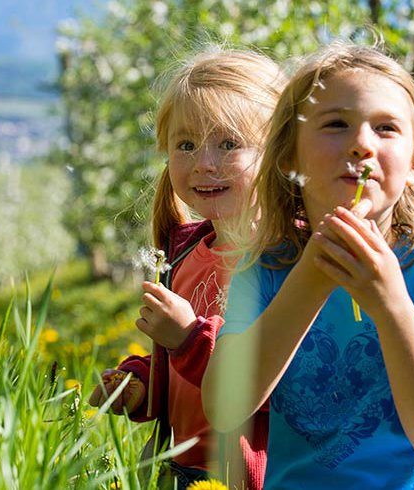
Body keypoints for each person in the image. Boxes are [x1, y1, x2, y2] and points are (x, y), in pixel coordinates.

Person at [203, 43, 414, 489]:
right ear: (289, 158)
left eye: (386, 128)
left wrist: (391, 304)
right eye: (336, 124)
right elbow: (223, 407)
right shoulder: (264, 269)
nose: (361, 144)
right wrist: (311, 279)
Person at [87, 48, 286, 489]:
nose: (203, 163)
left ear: (279, 151)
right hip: (184, 473)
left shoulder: (291, 261)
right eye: (186, 144)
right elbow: (174, 371)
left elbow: (288, 387)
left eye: (229, 143)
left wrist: (190, 340)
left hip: (256, 479)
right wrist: (140, 383)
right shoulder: (180, 256)